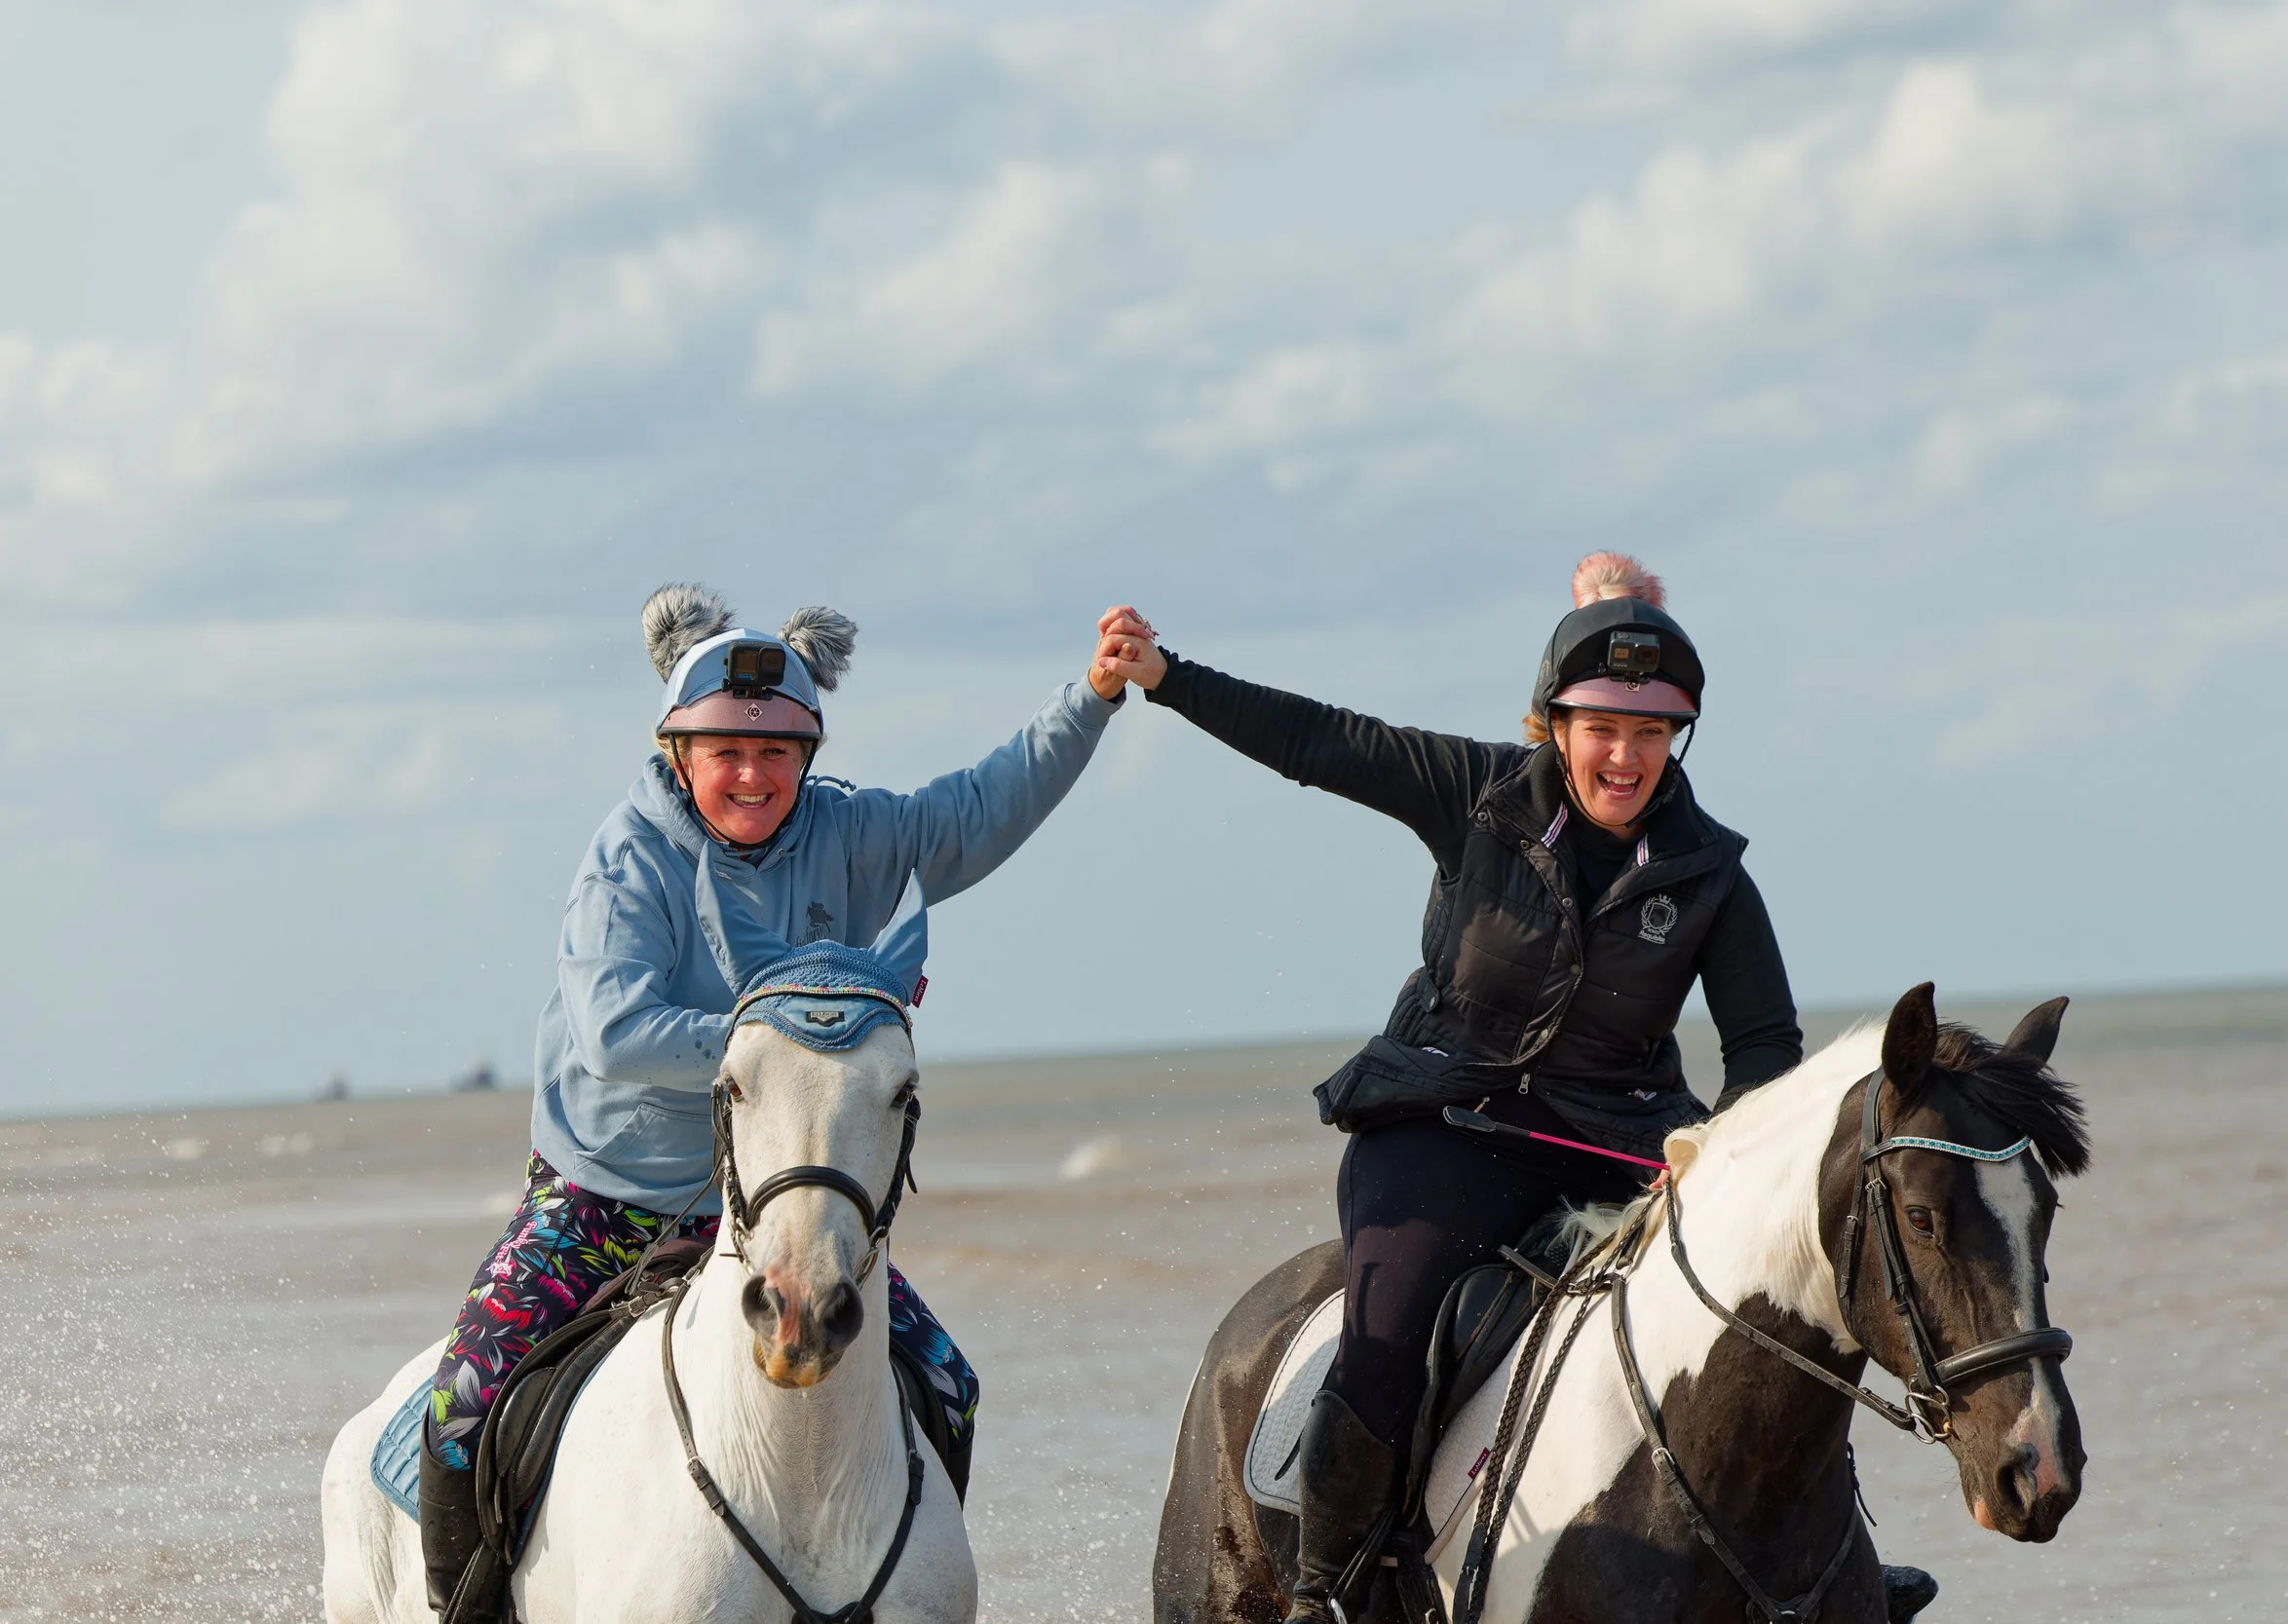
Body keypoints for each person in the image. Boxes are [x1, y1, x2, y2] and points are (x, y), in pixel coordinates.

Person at [1098, 555, 1811, 1621]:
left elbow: (1764, 1047)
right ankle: (1326, 1590)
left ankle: (1824, 1567)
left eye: (1651, 733)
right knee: (1383, 1347)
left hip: (1622, 1150)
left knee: (1764, 1337)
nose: (1625, 756)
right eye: (1602, 728)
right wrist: (1168, 674)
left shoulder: (1711, 871)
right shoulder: (1475, 796)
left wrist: (1710, 1165)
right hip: (1445, 1130)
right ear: (1553, 725)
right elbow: (1319, 741)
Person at [418, 585, 1138, 1619]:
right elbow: (613, 1031)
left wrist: (1095, 697)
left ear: (806, 756)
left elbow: (977, 808)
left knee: (950, 1385)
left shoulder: (848, 832)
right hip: (606, 1195)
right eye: (725, 752)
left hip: (767, 1203)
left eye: (776, 754)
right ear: (679, 752)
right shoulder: (630, 858)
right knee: (460, 1406)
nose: (752, 775)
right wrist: (781, 1046)